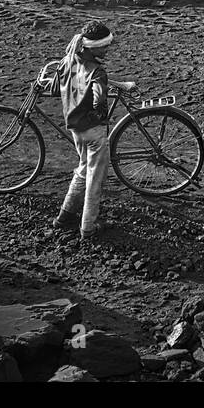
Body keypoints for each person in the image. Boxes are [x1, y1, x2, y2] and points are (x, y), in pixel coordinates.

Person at [51, 21, 137, 242]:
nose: (107, 50)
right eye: (104, 46)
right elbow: (99, 98)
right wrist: (100, 115)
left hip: (75, 129)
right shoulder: (97, 71)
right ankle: (88, 227)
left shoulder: (68, 61)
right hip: (94, 133)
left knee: (82, 169)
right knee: (95, 180)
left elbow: (56, 86)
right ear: (92, 46)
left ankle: (64, 216)